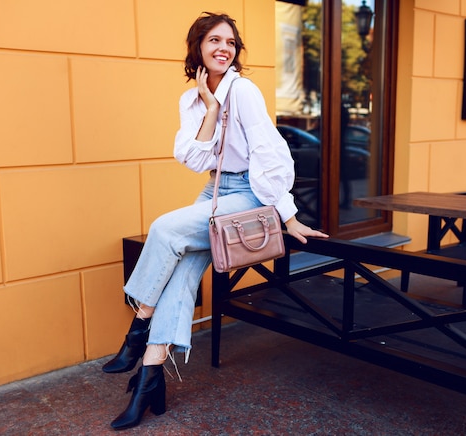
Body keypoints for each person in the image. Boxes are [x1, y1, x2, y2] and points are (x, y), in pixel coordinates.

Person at [102, 12, 329, 431]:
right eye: (213, 41)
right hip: (213, 191)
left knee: (164, 229)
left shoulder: (244, 91)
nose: (223, 48)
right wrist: (209, 108)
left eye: (229, 41)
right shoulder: (192, 100)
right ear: (198, 49)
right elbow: (193, 158)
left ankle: (138, 328)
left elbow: (267, 150)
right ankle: (149, 380)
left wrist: (289, 215)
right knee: (182, 276)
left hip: (247, 192)